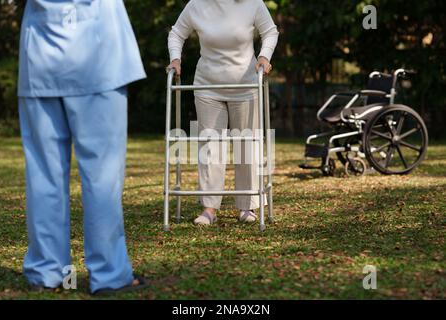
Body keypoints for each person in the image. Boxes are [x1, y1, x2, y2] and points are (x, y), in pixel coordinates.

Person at [18, 0, 147, 295]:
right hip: (98, 56)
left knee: (43, 175)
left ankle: (47, 271)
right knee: (101, 177)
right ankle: (109, 274)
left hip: (40, 54)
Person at [167, 0, 279, 226]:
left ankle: (247, 207)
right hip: (207, 86)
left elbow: (270, 31)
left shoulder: (252, 3)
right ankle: (209, 209)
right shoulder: (196, 5)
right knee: (210, 147)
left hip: (246, 86)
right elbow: (177, 33)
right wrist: (175, 59)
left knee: (246, 147)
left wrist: (264, 56)